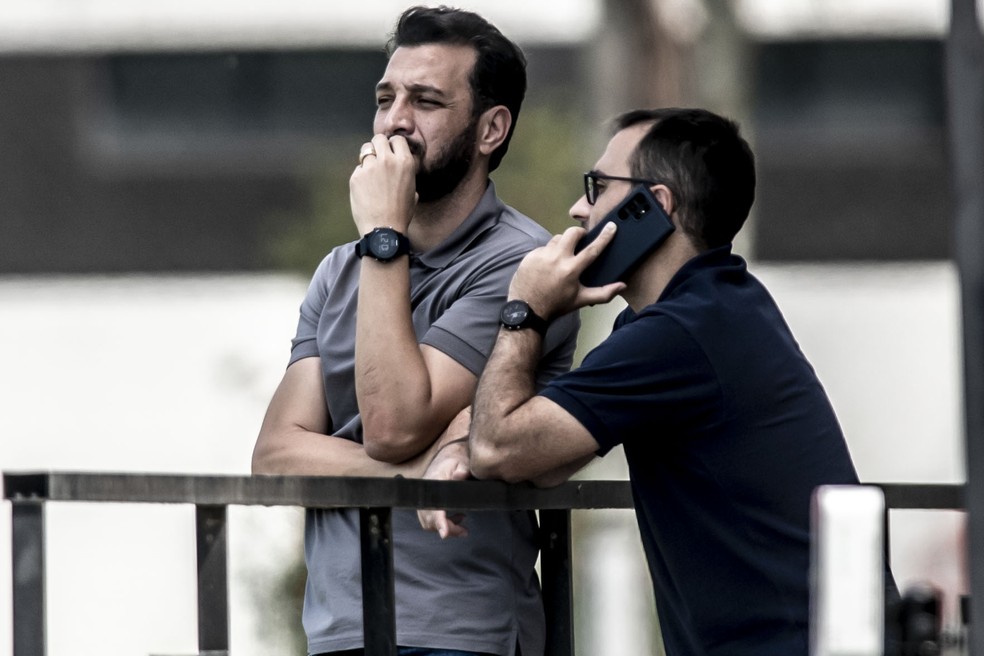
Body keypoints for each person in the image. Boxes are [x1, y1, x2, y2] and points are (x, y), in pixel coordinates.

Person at [421, 107, 888, 655]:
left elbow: (503, 448)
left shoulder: (683, 333)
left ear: (654, 205)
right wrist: (462, 443)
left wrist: (525, 307)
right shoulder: (701, 312)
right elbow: (543, 454)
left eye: (597, 188)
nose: (577, 209)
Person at [251, 6, 578, 656]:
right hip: (340, 632)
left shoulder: (523, 267)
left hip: (465, 637)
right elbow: (274, 455)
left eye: (426, 100)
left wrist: (384, 237)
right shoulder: (339, 270)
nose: (396, 120)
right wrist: (417, 472)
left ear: (491, 128)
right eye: (386, 97)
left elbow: (392, 422)